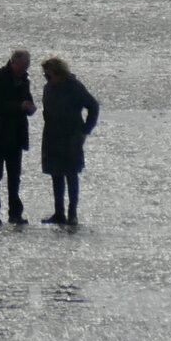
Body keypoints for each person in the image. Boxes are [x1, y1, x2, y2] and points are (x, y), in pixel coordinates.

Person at [38, 56, 100, 227]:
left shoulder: (75, 88)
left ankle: (72, 213)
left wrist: (85, 131)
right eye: (45, 76)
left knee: (71, 174)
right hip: (52, 136)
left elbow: (93, 107)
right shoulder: (48, 89)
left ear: (59, 73)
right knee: (55, 174)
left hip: (71, 137)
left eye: (49, 75)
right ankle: (59, 213)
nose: (47, 79)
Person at [0, 49, 35, 225]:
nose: (25, 69)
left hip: (16, 136)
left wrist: (29, 107)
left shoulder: (24, 81)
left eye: (27, 66)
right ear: (14, 62)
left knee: (14, 176)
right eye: (23, 66)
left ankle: (15, 213)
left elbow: (27, 100)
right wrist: (20, 106)